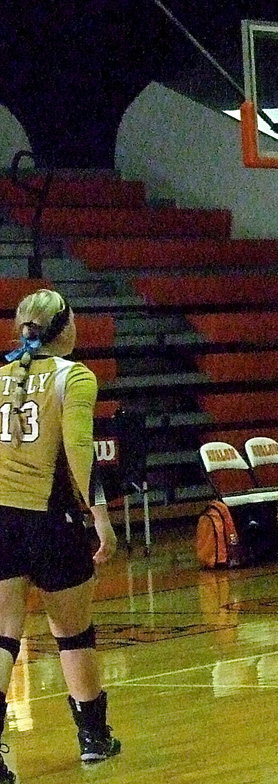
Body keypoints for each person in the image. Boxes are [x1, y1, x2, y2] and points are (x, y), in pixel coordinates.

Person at [0, 289, 121, 780]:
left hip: (1, 516)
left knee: (4, 633)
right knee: (73, 632)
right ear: (65, 328)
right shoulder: (75, 377)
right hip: (52, 520)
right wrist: (101, 518)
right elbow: (78, 452)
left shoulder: (0, 376)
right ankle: (93, 736)